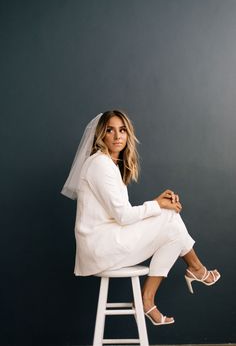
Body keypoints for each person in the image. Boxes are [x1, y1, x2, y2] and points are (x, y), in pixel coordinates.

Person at [61, 110, 221, 326]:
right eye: (110, 130)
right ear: (101, 135)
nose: (118, 136)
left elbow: (121, 214)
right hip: (101, 246)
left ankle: (163, 290)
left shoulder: (108, 164)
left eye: (122, 130)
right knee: (170, 220)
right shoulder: (100, 164)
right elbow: (123, 216)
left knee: (171, 223)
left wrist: (159, 204)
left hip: (106, 240)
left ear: (128, 134)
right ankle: (193, 271)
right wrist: (157, 204)